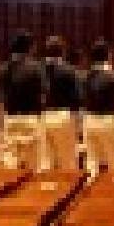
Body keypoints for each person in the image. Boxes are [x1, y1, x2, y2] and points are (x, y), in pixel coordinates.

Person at [0, 33, 48, 172]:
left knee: (11, 167)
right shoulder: (36, 68)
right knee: (34, 167)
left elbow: (1, 97)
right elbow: (43, 97)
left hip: (10, 119)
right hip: (30, 119)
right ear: (30, 48)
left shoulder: (4, 69)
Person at [83, 40, 114, 173]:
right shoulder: (113, 75)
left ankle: (91, 192)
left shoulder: (85, 76)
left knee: (91, 162)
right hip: (108, 120)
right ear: (108, 55)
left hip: (89, 120)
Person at [41, 36, 82, 171]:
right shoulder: (69, 70)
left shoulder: (38, 69)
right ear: (63, 52)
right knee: (68, 161)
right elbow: (77, 98)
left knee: (47, 162)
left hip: (43, 116)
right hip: (63, 116)